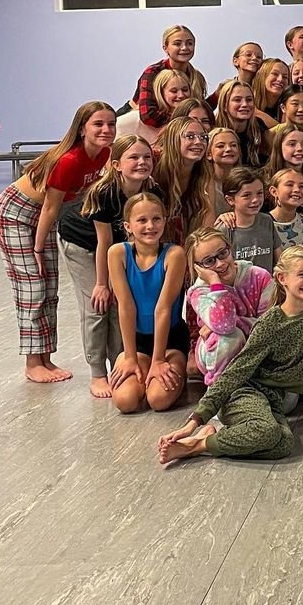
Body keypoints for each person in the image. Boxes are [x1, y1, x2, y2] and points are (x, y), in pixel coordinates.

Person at [158, 245, 303, 464]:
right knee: (267, 432)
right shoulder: (270, 324)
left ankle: (208, 439)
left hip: (274, 399)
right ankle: (196, 445)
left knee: (284, 444)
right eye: (302, 275)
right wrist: (195, 420)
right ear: (282, 278)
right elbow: (236, 371)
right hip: (243, 393)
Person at [0, 100, 117, 384]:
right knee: (33, 286)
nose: (106, 129)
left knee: (50, 288)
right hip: (16, 213)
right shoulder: (69, 160)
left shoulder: (104, 155)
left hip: (43, 218)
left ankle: (45, 358)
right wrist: (37, 249)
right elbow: (49, 206)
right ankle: (32, 362)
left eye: (111, 124)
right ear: (82, 129)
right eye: (98, 124)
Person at [60, 133, 158, 397]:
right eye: (133, 157)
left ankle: (119, 364)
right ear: (116, 165)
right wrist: (102, 284)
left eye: (147, 157)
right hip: (82, 244)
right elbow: (103, 243)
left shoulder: (151, 191)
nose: (142, 162)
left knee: (120, 304)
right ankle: (97, 373)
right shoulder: (105, 193)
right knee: (98, 306)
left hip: (116, 248)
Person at [107, 193, 189, 414]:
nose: (150, 226)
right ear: (128, 226)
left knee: (158, 400)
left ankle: (177, 372)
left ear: (164, 221)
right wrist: (130, 357)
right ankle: (142, 372)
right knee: (125, 401)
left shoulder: (174, 254)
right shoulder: (117, 253)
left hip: (170, 340)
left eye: (156, 219)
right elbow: (125, 306)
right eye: (142, 220)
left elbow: (163, 309)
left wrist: (159, 360)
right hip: (138, 341)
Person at [184, 226, 277, 386]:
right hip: (216, 349)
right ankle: (218, 391)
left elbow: (268, 328)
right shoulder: (199, 292)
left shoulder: (259, 276)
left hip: (257, 347)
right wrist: (215, 283)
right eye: (209, 261)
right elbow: (225, 326)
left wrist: (237, 321)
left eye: (222, 253)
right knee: (231, 337)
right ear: (197, 267)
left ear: (230, 248)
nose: (220, 264)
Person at [128, 24, 207, 125]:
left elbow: (200, 110)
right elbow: (148, 115)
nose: (184, 48)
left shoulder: (196, 77)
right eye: (177, 44)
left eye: (189, 43)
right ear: (165, 48)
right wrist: (185, 120)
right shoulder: (152, 73)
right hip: (134, 122)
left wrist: (217, 95)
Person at [152, 116, 216, 241]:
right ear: (173, 139)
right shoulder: (154, 162)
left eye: (203, 137)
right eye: (190, 136)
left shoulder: (205, 171)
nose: (198, 142)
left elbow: (208, 216)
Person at [217, 166, 283, 274]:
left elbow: (280, 259)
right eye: (247, 195)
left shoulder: (267, 221)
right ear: (230, 200)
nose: (255, 200)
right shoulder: (224, 229)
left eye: (259, 193)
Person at [116, 69, 191, 143]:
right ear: (160, 93)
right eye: (174, 91)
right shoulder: (132, 120)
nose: (181, 95)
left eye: (185, 90)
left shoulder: (192, 118)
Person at [268, 168, 303, 254]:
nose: (297, 190)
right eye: (290, 185)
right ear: (274, 191)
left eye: (302, 186)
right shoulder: (263, 224)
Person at [214, 80, 267, 168]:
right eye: (237, 100)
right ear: (224, 105)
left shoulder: (259, 126)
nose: (245, 104)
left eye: (249, 100)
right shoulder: (214, 130)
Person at [208, 41, 264, 109]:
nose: (254, 58)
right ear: (235, 61)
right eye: (248, 55)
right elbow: (206, 108)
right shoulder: (227, 87)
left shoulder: (265, 88)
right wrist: (216, 94)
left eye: (259, 57)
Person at [207, 126, 242, 215]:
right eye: (220, 146)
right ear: (209, 154)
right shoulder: (202, 184)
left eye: (233, 145)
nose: (228, 149)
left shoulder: (245, 181)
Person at [251, 58, 291, 130]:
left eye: (285, 77)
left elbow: (286, 132)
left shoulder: (287, 108)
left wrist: (259, 113)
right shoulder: (248, 102)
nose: (280, 79)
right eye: (275, 74)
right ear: (262, 76)